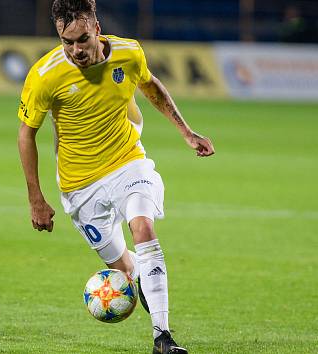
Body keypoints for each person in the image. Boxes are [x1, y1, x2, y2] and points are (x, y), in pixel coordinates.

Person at [16, 1, 214, 353]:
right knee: (126, 271)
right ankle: (146, 285)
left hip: (127, 161)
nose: (76, 50)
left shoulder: (128, 52)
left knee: (144, 229)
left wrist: (186, 131)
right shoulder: (45, 75)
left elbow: (151, 86)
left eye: (82, 39)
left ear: (96, 26)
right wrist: (36, 198)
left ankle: (162, 338)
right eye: (67, 42)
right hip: (80, 187)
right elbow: (25, 134)